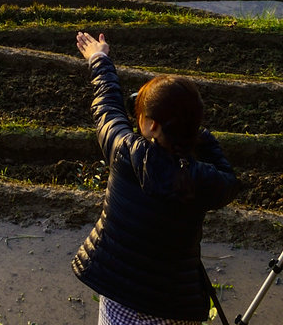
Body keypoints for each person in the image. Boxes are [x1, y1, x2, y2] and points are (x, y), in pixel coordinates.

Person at [72, 31, 241, 325]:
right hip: (176, 305)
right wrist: (193, 133)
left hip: (121, 297)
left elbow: (107, 107)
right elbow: (229, 180)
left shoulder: (125, 153)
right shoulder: (204, 178)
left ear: (150, 125)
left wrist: (99, 58)